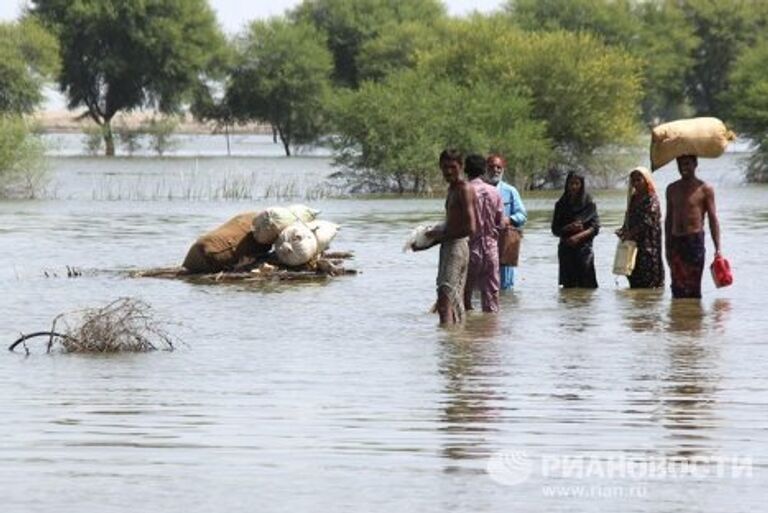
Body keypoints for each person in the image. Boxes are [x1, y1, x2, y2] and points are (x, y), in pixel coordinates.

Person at [427, 149, 477, 324]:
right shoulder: (452, 189)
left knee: (445, 300)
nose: (448, 171)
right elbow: (453, 224)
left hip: (456, 247)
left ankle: (448, 343)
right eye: (445, 167)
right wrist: (427, 241)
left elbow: (471, 227)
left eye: (452, 167)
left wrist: (442, 235)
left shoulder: (464, 189)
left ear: (461, 167)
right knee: (452, 298)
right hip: (450, 245)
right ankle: (456, 343)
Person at [665, 155, 721, 299]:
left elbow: (713, 219)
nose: (684, 167)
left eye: (687, 164)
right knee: (677, 288)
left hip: (694, 241)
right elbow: (668, 219)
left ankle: (693, 317)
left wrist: (718, 249)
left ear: (695, 164)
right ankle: (678, 319)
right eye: (680, 165)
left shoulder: (705, 188)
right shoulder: (672, 188)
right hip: (676, 241)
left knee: (693, 287)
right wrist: (666, 246)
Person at [463, 154, 504, 313]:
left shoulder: (464, 190)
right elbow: (500, 222)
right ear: (483, 170)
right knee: (492, 296)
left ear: (466, 170)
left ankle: (468, 330)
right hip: (491, 248)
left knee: (465, 295)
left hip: (470, 247)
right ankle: (490, 333)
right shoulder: (494, 192)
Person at [616, 166, 664, 288]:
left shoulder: (652, 199)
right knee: (633, 276)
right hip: (633, 246)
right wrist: (623, 231)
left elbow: (648, 222)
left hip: (648, 246)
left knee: (649, 281)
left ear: (646, 180)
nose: (636, 183)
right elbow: (629, 218)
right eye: (634, 180)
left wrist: (630, 233)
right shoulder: (633, 199)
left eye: (639, 180)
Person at [551, 171, 600, 288]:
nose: (573, 187)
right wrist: (569, 227)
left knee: (587, 287)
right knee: (568, 288)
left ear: (582, 185)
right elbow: (555, 230)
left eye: (577, 183)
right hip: (566, 250)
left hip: (584, 251)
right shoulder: (561, 204)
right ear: (567, 185)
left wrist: (578, 236)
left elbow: (595, 227)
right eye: (571, 183)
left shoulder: (589, 203)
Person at [485, 154, 527, 289]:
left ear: (503, 169)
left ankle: (507, 310)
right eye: (492, 167)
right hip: (483, 244)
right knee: (482, 287)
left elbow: (522, 216)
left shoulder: (510, 191)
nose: (495, 170)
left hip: (504, 245)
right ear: (486, 168)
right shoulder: (478, 189)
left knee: (505, 288)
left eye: (499, 167)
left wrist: (509, 219)